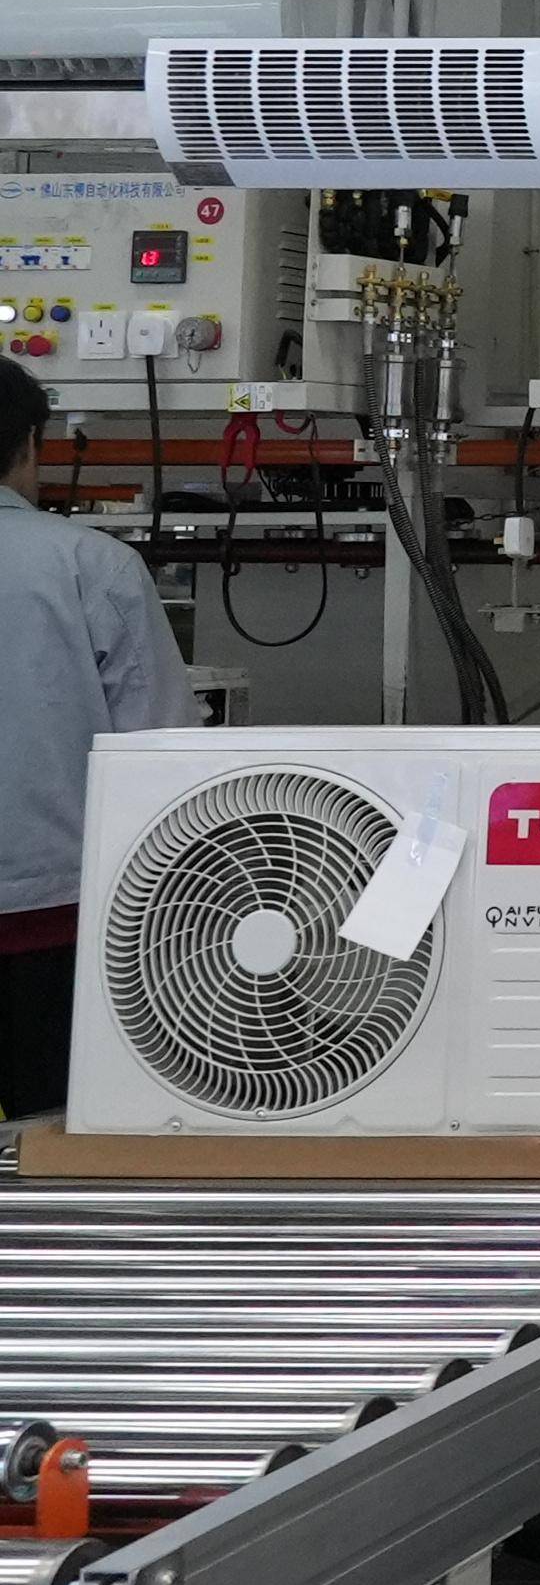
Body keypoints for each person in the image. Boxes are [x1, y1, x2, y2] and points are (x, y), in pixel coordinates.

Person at [0, 359, 193, 1118]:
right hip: (54, 923)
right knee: (54, 1134)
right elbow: (163, 756)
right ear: (30, 443)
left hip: (50, 914)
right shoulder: (92, 565)